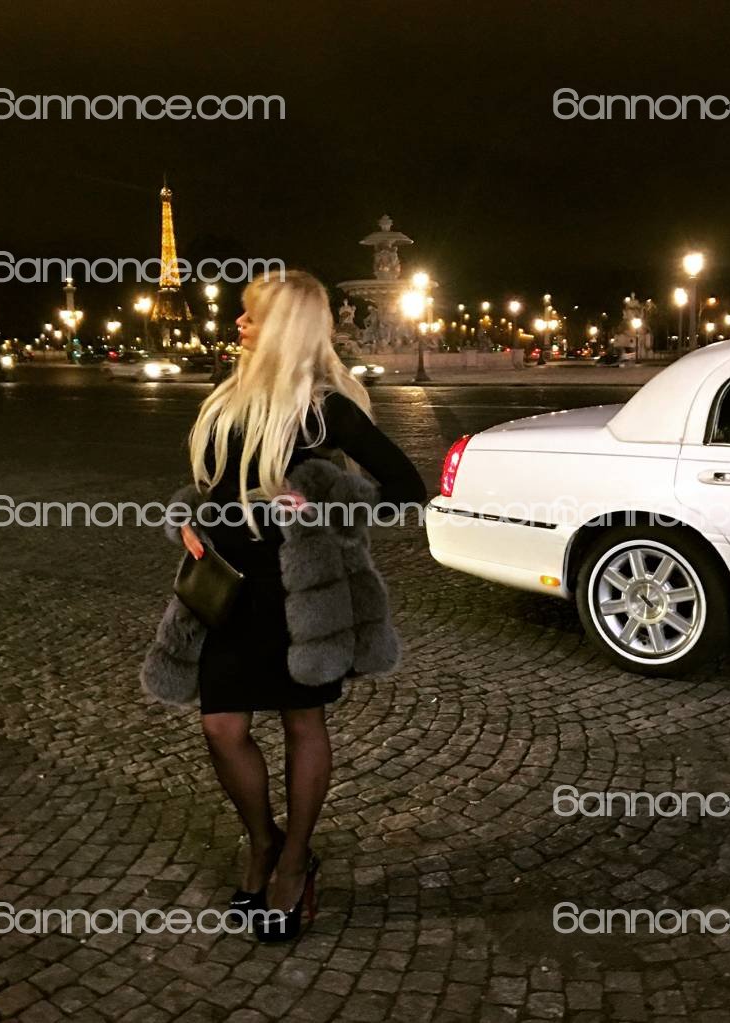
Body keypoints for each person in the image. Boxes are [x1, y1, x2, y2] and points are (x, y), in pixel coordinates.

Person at [181, 270, 427, 941]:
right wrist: (193, 518)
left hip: (297, 594)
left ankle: (292, 862)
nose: (238, 323)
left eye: (251, 315)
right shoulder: (229, 395)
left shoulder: (326, 411)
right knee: (221, 726)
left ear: (283, 329)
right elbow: (214, 484)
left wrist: (322, 508)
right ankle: (263, 839)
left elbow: (406, 487)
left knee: (301, 720)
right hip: (230, 588)